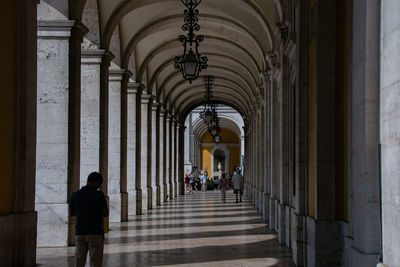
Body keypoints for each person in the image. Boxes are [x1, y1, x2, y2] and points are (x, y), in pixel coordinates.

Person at [69, 172, 109, 267]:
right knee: (95, 262)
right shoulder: (99, 195)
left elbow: (71, 213)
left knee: (79, 261)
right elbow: (105, 213)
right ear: (98, 182)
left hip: (80, 232)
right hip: (95, 232)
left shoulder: (75, 195)